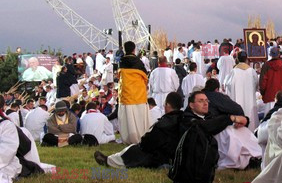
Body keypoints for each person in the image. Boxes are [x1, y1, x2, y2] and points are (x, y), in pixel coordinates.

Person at [94, 91, 238, 169]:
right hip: (173, 155)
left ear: (167, 105)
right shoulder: (184, 117)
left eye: (206, 101)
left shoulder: (171, 121)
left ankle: (109, 161)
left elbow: (148, 143)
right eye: (201, 101)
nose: (205, 104)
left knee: (135, 151)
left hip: (165, 156)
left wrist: (231, 118)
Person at [203, 79, 262, 170]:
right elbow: (237, 109)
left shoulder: (200, 96)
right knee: (237, 135)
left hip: (215, 125)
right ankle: (248, 158)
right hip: (217, 127)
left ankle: (250, 158)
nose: (205, 103)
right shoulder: (216, 96)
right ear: (216, 89)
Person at [117, 41, 151, 145]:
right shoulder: (138, 62)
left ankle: (127, 138)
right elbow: (145, 77)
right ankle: (141, 136)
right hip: (138, 94)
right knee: (139, 117)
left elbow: (119, 76)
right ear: (134, 49)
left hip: (126, 93)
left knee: (127, 118)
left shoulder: (121, 62)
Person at [224, 51, 259, 132]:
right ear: (247, 59)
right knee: (251, 118)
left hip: (237, 101)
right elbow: (256, 84)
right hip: (250, 99)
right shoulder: (252, 71)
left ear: (237, 59)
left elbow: (228, 85)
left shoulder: (234, 71)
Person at [259, 47, 282, 111]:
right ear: (279, 54)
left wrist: (263, 93)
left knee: (269, 119)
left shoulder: (266, 66)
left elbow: (263, 83)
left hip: (270, 96)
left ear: (270, 55)